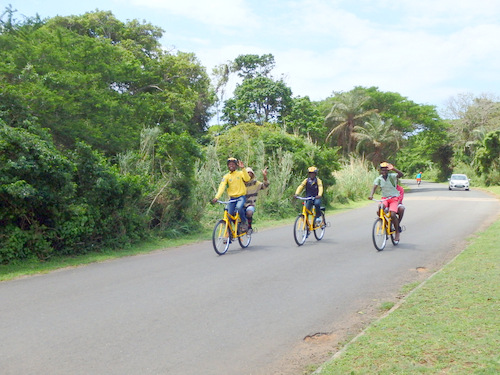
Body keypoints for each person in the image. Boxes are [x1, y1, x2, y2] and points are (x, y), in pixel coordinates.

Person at [212, 158, 251, 231]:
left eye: (233, 164)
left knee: (239, 208)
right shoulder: (226, 176)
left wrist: (243, 168)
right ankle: (229, 234)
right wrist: (216, 197)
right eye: (229, 164)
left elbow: (247, 179)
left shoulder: (240, 173)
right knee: (228, 215)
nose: (231, 166)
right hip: (232, 198)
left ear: (236, 165)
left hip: (241, 197)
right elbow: (222, 186)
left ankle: (244, 222)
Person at [368, 162, 404, 242]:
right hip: (384, 198)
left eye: (385, 170)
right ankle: (384, 225)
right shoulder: (379, 179)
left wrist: (393, 169)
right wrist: (371, 195)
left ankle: (397, 231)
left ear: (388, 171)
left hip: (393, 198)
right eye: (382, 170)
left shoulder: (392, 176)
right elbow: (374, 187)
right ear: (380, 171)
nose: (384, 171)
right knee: (379, 209)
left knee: (393, 214)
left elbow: (401, 174)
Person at [244, 167, 269, 232]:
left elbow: (265, 185)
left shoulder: (255, 183)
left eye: (250, 173)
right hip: (241, 203)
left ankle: (249, 227)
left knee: (249, 213)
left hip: (250, 204)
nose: (249, 174)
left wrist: (264, 176)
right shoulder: (241, 183)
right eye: (247, 173)